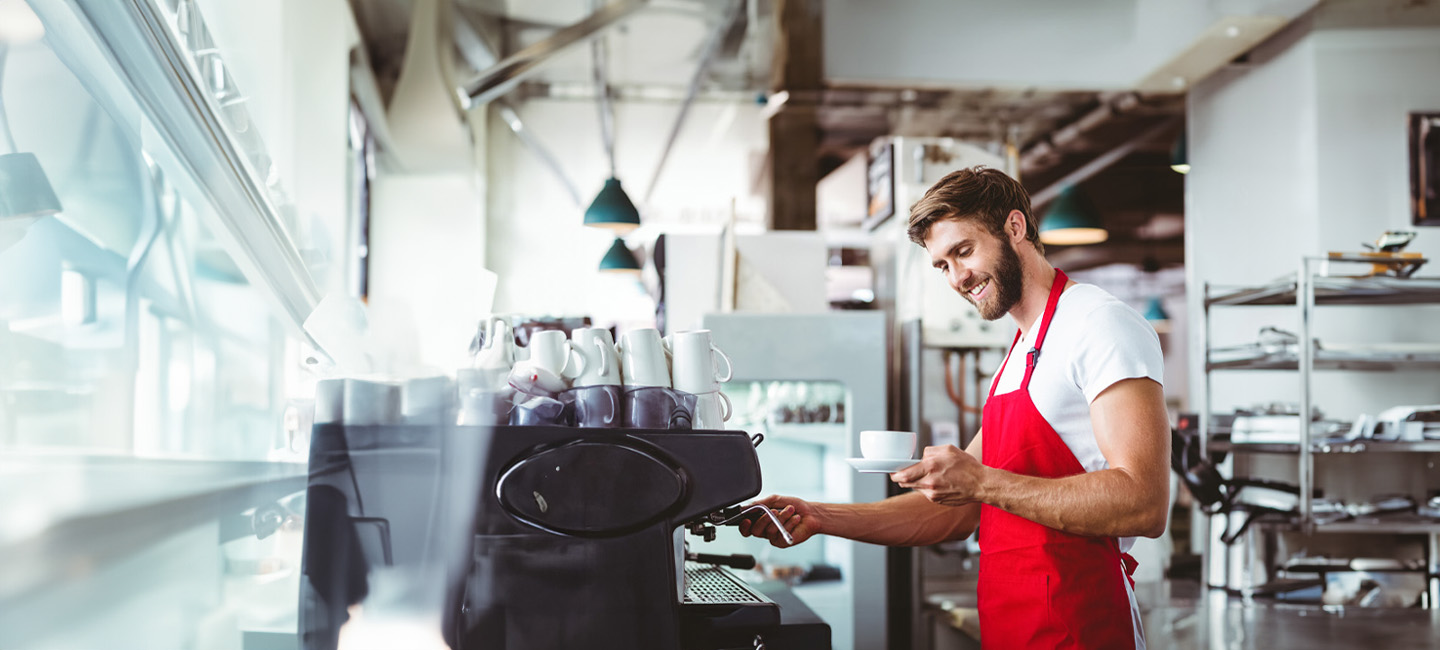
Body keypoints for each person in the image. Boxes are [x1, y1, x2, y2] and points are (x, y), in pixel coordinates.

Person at [740, 166, 1170, 649]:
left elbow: (1144, 503)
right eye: (942, 265)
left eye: (963, 251)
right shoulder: (1021, 349)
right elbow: (958, 512)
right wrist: (819, 516)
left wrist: (982, 481)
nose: (958, 278)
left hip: (1083, 629)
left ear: (1015, 227)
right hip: (1014, 629)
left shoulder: (1099, 323)